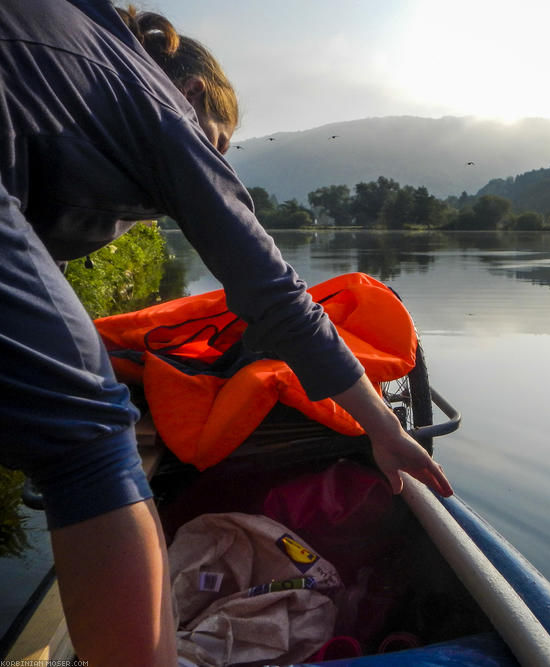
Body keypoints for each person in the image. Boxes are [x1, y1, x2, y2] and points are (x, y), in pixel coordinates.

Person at [0, 1, 452, 665]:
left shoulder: (82, 55)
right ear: (194, 93)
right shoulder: (160, 105)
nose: (218, 165)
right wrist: (384, 428)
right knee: (93, 433)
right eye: (220, 144)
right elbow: (275, 295)